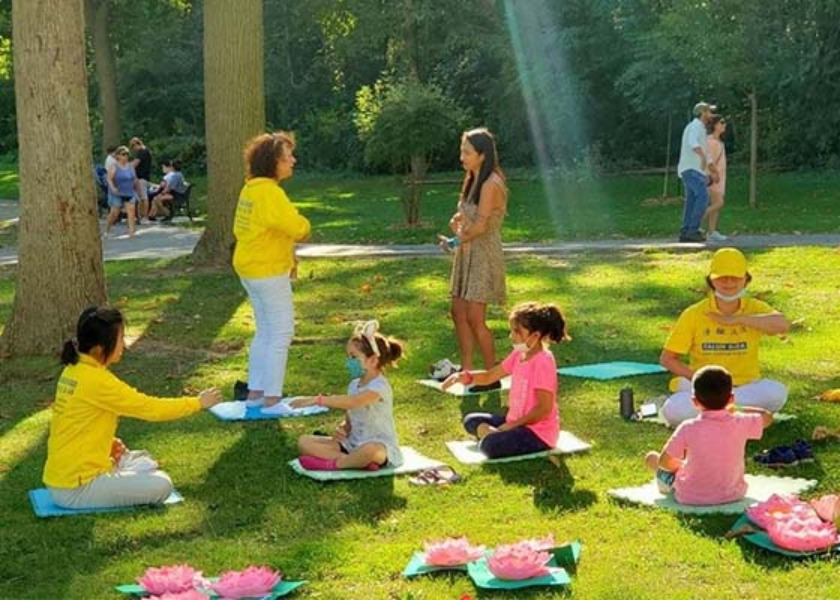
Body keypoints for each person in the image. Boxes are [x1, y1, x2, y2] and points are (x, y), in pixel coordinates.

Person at [42, 306, 222, 509]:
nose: (123, 345)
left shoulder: (73, 370)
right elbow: (149, 408)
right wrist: (197, 402)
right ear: (101, 348)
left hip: (62, 481)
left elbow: (73, 423)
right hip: (78, 489)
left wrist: (107, 443)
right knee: (163, 484)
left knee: (146, 462)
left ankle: (123, 464)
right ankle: (125, 467)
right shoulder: (97, 381)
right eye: (120, 339)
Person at [660, 247, 791, 426]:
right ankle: (733, 414)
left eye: (735, 277)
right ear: (711, 280)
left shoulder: (754, 307)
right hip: (706, 389)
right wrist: (699, 379)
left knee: (777, 393)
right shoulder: (694, 313)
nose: (729, 282)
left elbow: (782, 324)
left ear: (746, 279)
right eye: (722, 277)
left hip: (745, 387)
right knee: (674, 410)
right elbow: (668, 359)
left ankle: (716, 413)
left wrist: (736, 319)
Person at [233, 131, 311, 409]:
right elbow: (299, 228)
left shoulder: (251, 189)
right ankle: (273, 398)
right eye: (287, 156)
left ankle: (256, 393)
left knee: (265, 331)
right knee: (280, 332)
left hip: (250, 267)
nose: (293, 160)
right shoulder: (270, 193)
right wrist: (300, 221)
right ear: (273, 162)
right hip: (266, 270)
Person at [442, 302, 569, 459]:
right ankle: (492, 435)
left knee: (490, 446)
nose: (511, 336)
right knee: (471, 420)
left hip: (537, 433)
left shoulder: (543, 361)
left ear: (535, 336)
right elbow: (490, 376)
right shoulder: (518, 355)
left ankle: (491, 437)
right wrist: (466, 377)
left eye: (517, 332)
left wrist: (510, 426)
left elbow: (544, 409)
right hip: (515, 422)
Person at [438, 128, 507, 391]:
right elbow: (466, 215)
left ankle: (491, 375)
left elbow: (480, 227)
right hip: (467, 253)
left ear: (482, 155)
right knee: (458, 312)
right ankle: (467, 372)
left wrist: (455, 240)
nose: (462, 157)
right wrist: (456, 222)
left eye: (467, 152)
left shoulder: (491, 183)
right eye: (462, 151)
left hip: (483, 255)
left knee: (475, 318)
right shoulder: (471, 177)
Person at [644, 365, 772, 505]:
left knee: (652, 458)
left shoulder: (688, 427)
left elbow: (665, 462)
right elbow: (767, 417)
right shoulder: (740, 421)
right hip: (733, 494)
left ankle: (665, 480)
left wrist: (680, 467)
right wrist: (737, 408)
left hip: (690, 495)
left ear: (694, 401)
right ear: (731, 399)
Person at [290, 320, 404, 470]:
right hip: (352, 444)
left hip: (379, 446)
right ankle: (357, 462)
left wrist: (318, 400)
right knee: (304, 442)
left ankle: (335, 464)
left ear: (373, 360)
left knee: (371, 451)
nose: (349, 361)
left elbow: (353, 402)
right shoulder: (354, 385)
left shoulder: (379, 387)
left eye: (353, 357)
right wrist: (343, 429)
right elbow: (351, 418)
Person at [677, 102, 716, 242]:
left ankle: (686, 230)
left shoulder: (700, 128)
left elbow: (704, 149)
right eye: (709, 112)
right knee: (703, 198)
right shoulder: (695, 126)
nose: (711, 115)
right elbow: (693, 144)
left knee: (692, 201)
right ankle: (692, 230)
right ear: (703, 113)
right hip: (691, 170)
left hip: (692, 170)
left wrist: (712, 168)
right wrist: (703, 158)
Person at [105, 145, 141, 237]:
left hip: (129, 191)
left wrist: (138, 191)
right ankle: (108, 228)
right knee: (115, 213)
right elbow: (109, 178)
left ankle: (131, 231)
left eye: (127, 154)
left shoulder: (130, 166)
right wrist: (113, 188)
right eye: (123, 154)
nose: (125, 156)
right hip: (118, 192)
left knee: (131, 211)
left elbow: (135, 179)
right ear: (118, 156)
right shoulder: (114, 166)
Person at [703, 114, 728, 241]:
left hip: (720, 177)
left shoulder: (719, 142)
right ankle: (699, 217)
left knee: (716, 204)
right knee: (718, 203)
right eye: (721, 122)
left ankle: (712, 231)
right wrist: (715, 174)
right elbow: (709, 161)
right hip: (713, 177)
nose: (724, 125)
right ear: (714, 125)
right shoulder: (711, 142)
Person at [130, 137, 153, 221]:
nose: (133, 149)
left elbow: (135, 163)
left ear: (136, 144)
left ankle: (145, 216)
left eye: (133, 146)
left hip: (141, 178)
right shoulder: (146, 151)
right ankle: (140, 215)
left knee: (143, 198)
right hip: (144, 177)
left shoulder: (141, 151)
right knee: (141, 197)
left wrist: (126, 166)